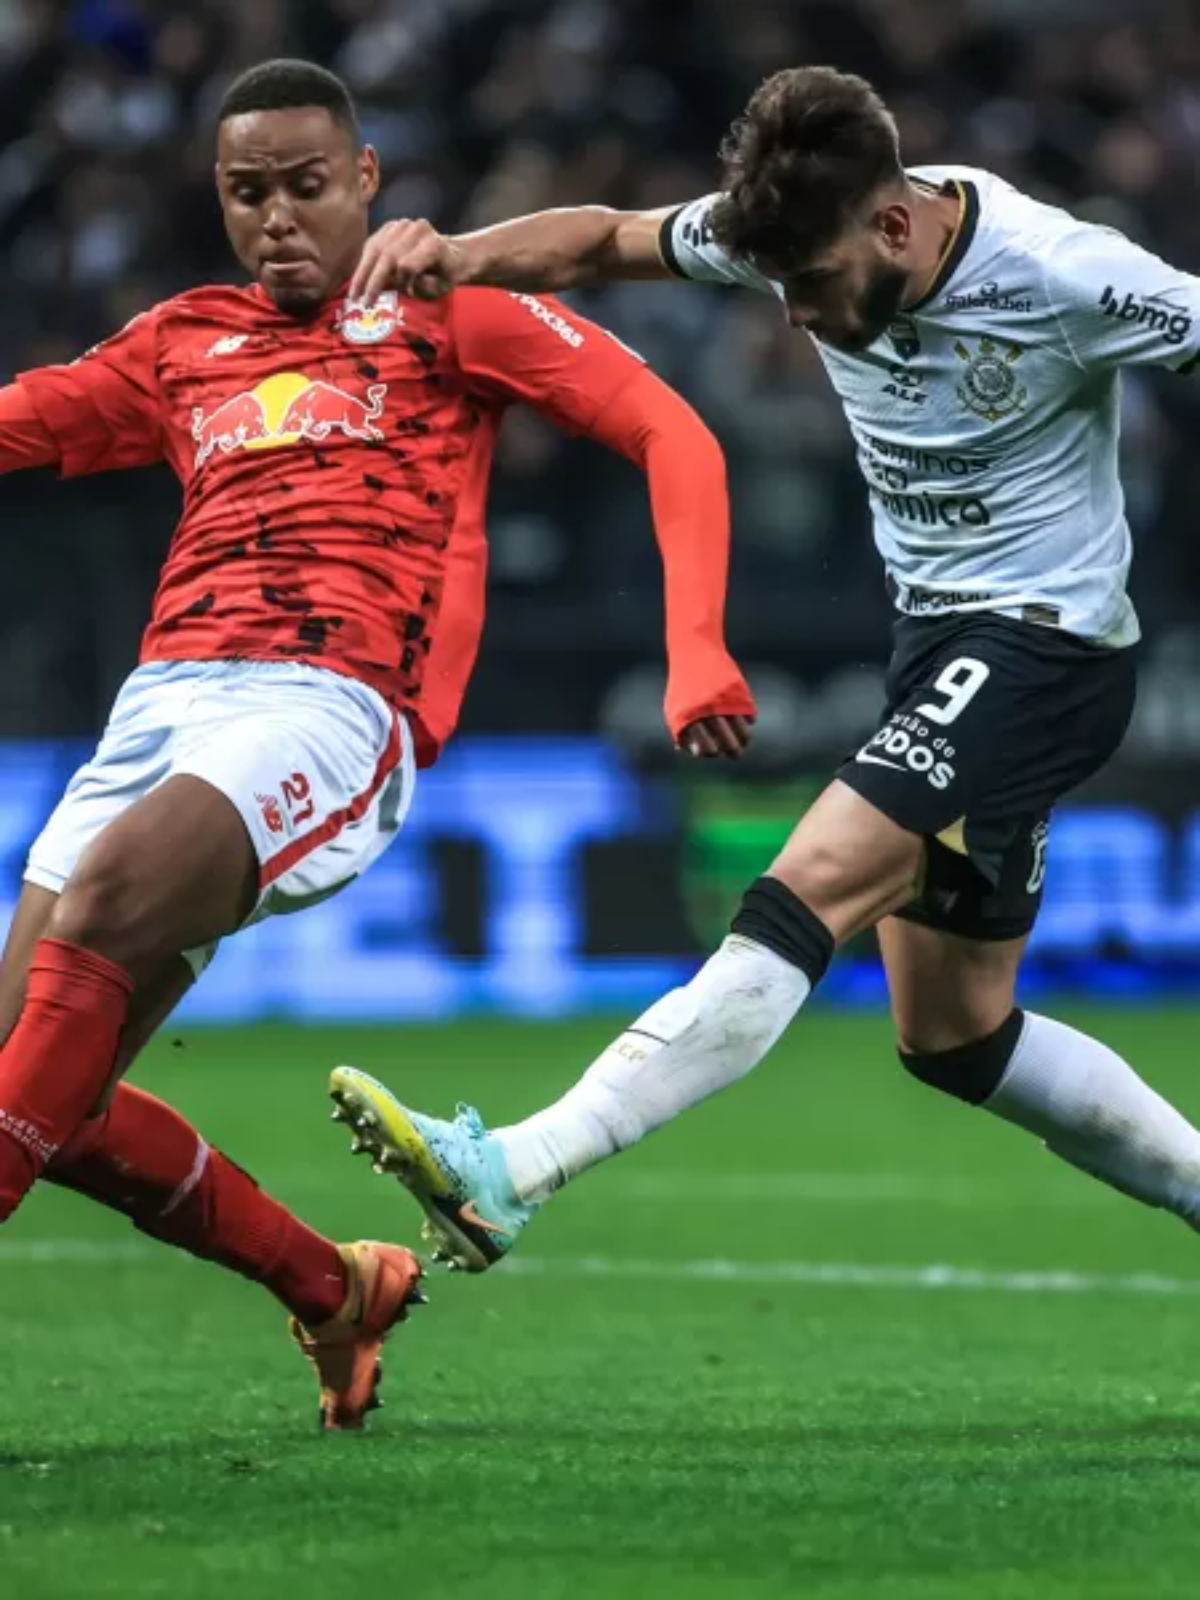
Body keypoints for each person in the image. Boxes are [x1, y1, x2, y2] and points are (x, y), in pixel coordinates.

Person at [329, 64, 1200, 1276]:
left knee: (803, 892)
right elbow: (601, 240)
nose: (793, 313)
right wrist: (456, 254)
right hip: (937, 650)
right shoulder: (788, 226)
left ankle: (513, 1168)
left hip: (1044, 646)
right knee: (954, 1034)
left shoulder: (1062, 273)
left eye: (815, 282)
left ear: (896, 223)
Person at [0, 57, 754, 1424]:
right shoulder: (182, 340)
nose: (277, 217)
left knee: (99, 915)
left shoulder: (446, 311)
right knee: (35, 1094)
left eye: (303, 185)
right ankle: (335, 1287)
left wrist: (696, 643)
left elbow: (671, 432)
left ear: (366, 182)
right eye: (246, 192)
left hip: (333, 702)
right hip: (161, 701)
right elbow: (23, 422)